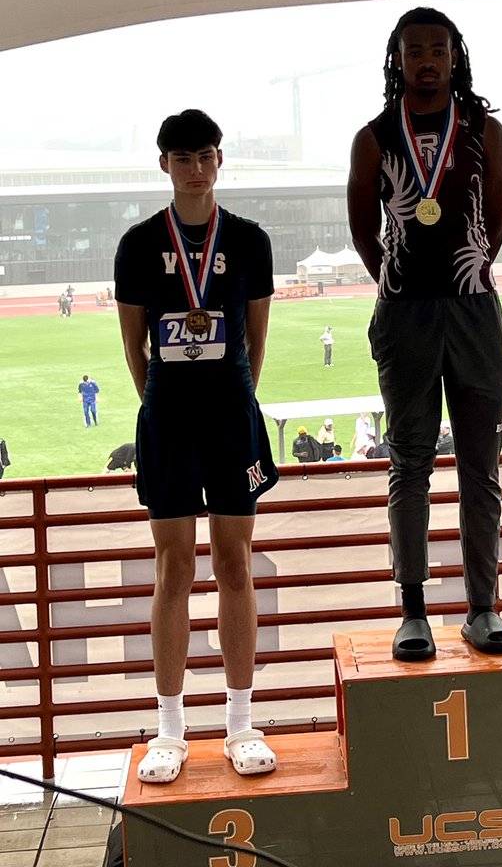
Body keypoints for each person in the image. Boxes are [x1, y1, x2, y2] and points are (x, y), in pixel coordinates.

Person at [348, 6, 502, 662]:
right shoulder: (373, 138)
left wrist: (468, 270)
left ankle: (484, 608)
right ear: (397, 59)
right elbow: (363, 229)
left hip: (474, 308)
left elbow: (496, 219)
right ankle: (412, 612)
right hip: (405, 315)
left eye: (437, 50)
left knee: (480, 470)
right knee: (410, 465)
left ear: (454, 58)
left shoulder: (483, 130)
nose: (426, 60)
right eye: (414, 50)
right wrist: (398, 282)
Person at [114, 109, 278, 785]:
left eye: (207, 155)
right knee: (172, 568)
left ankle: (240, 723)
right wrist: (163, 402)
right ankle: (170, 728)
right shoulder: (136, 244)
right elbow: (134, 347)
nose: (197, 167)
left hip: (230, 413)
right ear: (165, 165)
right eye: (184, 157)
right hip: (169, 418)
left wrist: (236, 398)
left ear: (219, 162)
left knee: (235, 563)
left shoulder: (248, 240)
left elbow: (255, 336)